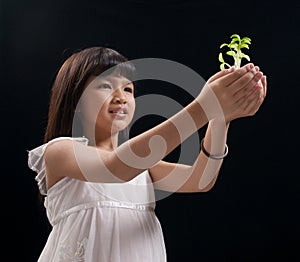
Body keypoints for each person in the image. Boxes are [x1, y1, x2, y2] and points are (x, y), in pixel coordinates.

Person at [27, 46, 267, 261]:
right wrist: (204, 107)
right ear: (75, 97)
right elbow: (116, 167)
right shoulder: (60, 151)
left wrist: (219, 118)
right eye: (105, 85)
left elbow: (202, 178)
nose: (121, 97)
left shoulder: (142, 169)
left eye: (128, 89)